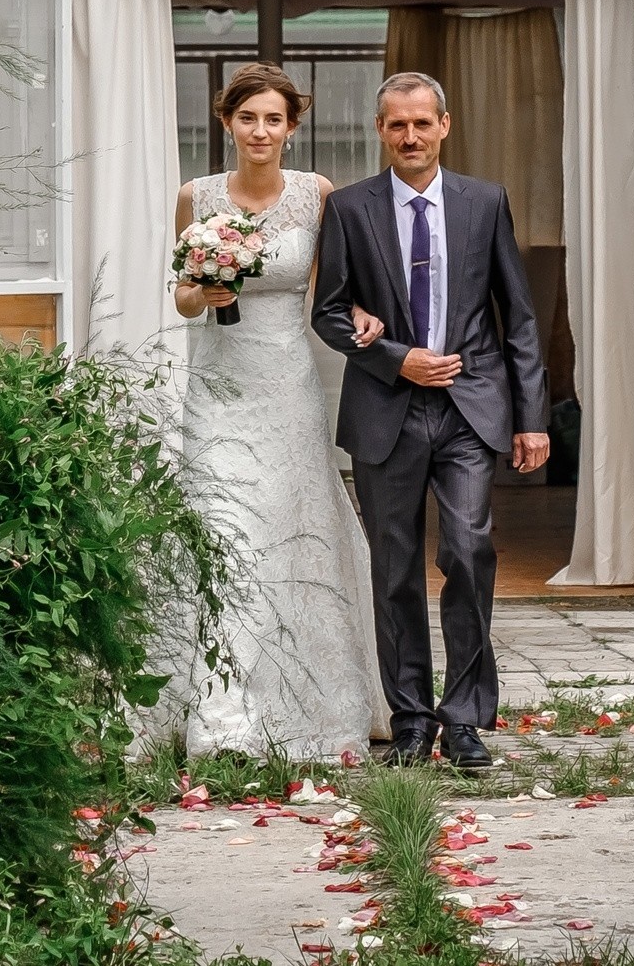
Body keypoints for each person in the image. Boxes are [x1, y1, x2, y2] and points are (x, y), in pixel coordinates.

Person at [312, 71, 548, 768]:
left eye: (422, 122)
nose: (410, 136)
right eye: (396, 125)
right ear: (380, 131)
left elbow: (520, 316)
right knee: (395, 570)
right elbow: (328, 311)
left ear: (445, 124)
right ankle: (411, 718)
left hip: (471, 409)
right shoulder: (351, 208)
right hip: (386, 409)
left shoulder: (485, 201)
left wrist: (531, 418)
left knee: (469, 553)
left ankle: (465, 716)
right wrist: (394, 357)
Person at [158, 62, 386, 760]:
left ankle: (307, 704)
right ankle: (218, 715)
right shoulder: (195, 197)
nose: (261, 130)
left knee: (289, 527)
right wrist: (206, 291)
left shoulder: (318, 195)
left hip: (286, 384)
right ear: (227, 121)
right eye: (248, 117)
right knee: (221, 527)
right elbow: (180, 297)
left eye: (274, 119)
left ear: (292, 126)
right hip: (218, 387)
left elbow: (333, 289)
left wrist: (365, 316)